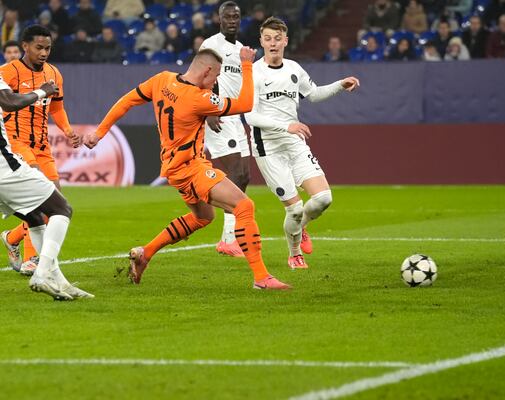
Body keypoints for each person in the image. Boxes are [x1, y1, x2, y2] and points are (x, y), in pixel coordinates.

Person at [82, 47, 290, 290]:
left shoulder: (162, 80)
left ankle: (145, 253)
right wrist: (246, 64)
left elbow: (126, 101)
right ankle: (262, 278)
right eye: (216, 77)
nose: (215, 84)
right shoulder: (199, 98)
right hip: (191, 168)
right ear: (207, 71)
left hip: (175, 168)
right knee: (244, 205)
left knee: (204, 217)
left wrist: (99, 133)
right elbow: (245, 103)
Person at [244, 17, 360, 269]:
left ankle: (302, 227)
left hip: (294, 143)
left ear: (285, 41)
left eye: (277, 38)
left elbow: (314, 94)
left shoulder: (294, 69)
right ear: (261, 41)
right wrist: (286, 126)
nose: (273, 43)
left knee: (323, 199)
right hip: (268, 148)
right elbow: (249, 115)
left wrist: (340, 84)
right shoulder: (253, 72)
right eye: (268, 38)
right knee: (295, 209)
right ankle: (294, 252)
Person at [0, 75, 93, 300]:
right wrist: (42, 92)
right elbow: (9, 102)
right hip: (5, 168)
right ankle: (41, 274)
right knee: (61, 208)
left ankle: (58, 280)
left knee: (34, 216)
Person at [0, 25, 81, 275]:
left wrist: (67, 130)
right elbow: (7, 102)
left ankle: (12, 238)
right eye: (39, 47)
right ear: (25, 46)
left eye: (48, 48)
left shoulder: (54, 74)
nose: (44, 52)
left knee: (55, 203)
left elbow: (56, 108)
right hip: (16, 142)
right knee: (40, 199)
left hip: (42, 146)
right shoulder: (9, 70)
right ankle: (31, 259)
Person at [198, 2, 251, 257]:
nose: (232, 20)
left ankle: (229, 238)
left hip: (236, 118)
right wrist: (208, 110)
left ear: (240, 20)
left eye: (236, 17)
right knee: (235, 173)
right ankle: (230, 239)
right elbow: (199, 76)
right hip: (217, 114)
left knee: (244, 177)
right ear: (219, 19)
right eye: (227, 16)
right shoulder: (211, 44)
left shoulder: (242, 50)